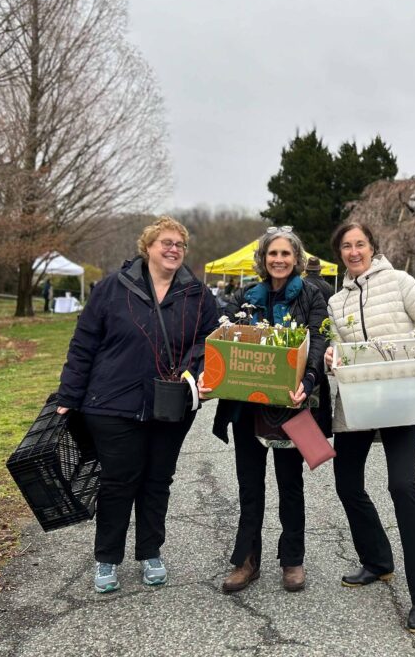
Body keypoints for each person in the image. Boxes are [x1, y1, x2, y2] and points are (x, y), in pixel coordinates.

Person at [54, 217, 218, 593]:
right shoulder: (114, 288)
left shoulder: (197, 294)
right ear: (148, 247)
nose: (174, 249)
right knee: (118, 482)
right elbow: (84, 343)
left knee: (157, 480)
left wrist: (196, 375)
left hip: (172, 405)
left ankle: (150, 553)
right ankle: (107, 558)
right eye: (166, 242)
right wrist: (69, 395)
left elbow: (210, 343)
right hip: (112, 403)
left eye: (180, 244)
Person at [324, 221, 415, 635]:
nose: (353, 252)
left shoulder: (400, 282)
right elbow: (336, 347)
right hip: (358, 401)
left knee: (402, 486)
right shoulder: (335, 301)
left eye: (359, 244)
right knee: (347, 483)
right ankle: (378, 561)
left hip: (402, 398)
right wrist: (332, 356)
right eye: (346, 246)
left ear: (372, 247)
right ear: (340, 253)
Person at [205, 226, 330, 594]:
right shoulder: (245, 296)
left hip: (291, 407)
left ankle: (292, 559)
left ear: (296, 259)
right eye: (272, 254)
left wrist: (307, 381)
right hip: (248, 406)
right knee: (249, 485)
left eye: (285, 254)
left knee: (290, 485)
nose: (278, 260)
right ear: (263, 259)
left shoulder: (310, 294)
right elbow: (225, 337)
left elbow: (319, 341)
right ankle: (247, 560)